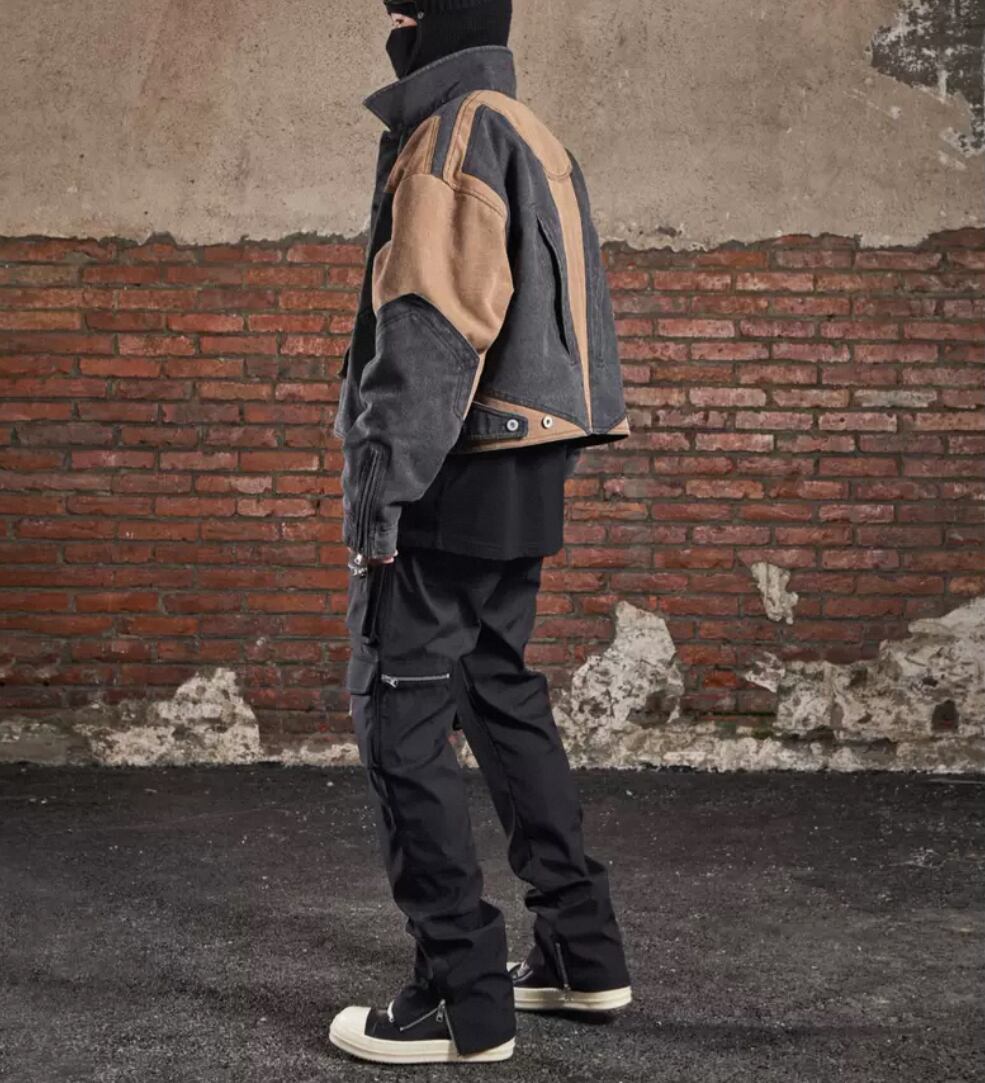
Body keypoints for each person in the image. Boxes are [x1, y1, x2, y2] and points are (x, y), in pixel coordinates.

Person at [328, 0, 633, 1065]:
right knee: (496, 689)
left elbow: (427, 332)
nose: (392, 26)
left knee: (397, 710)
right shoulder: (526, 126)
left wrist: (379, 496)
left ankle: (458, 998)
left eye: (401, 9)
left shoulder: (449, 134)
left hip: (448, 466)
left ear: (428, 19)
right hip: (522, 470)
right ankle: (580, 955)